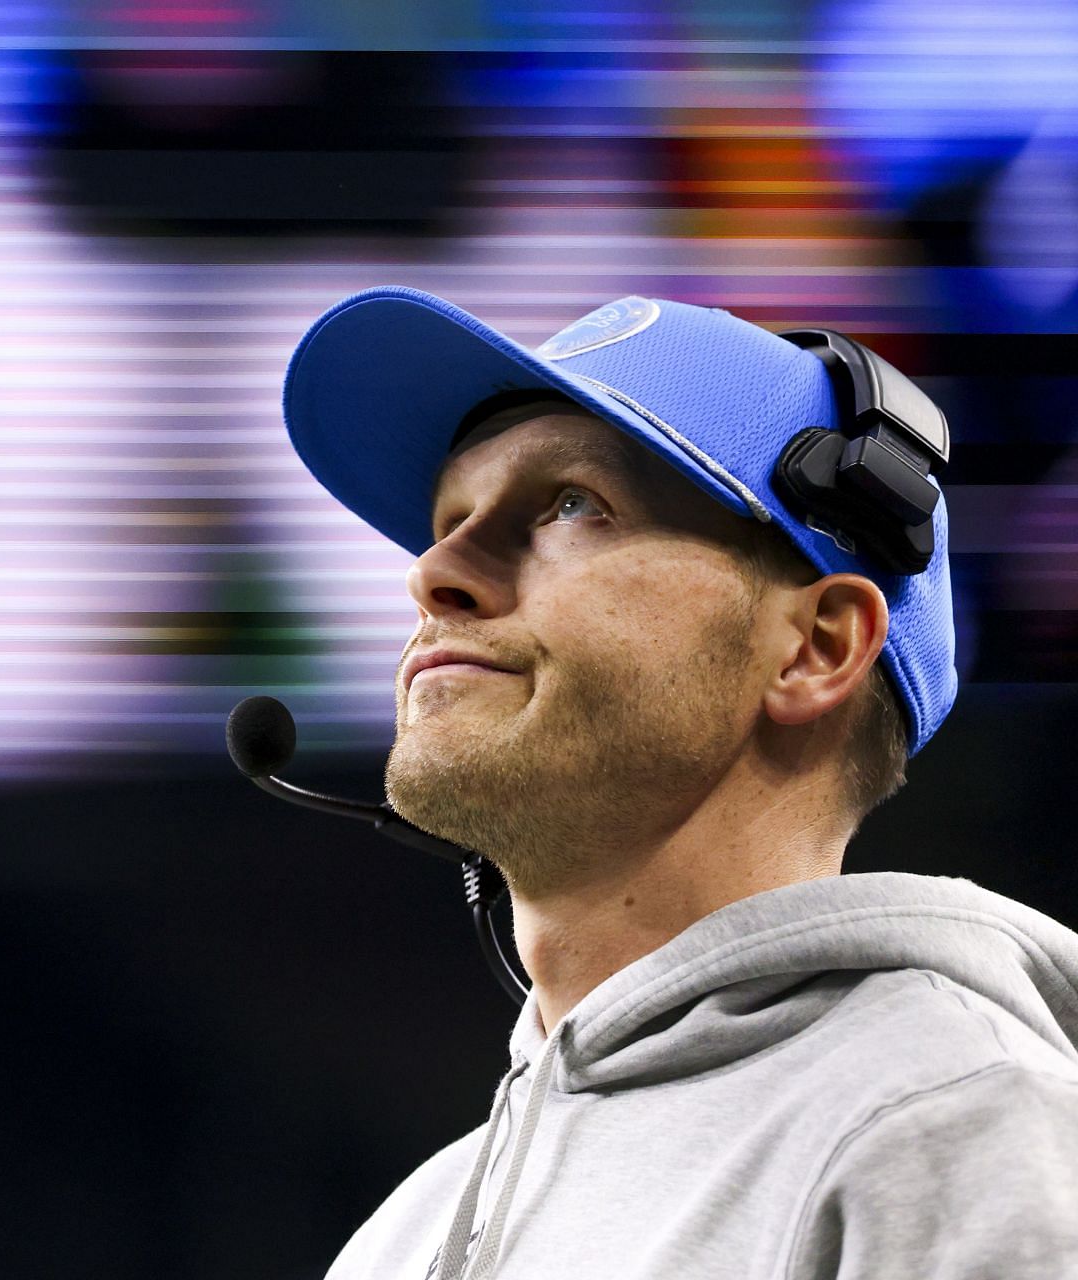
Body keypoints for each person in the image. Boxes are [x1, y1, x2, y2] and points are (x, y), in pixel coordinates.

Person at [280, 290, 1078, 1279]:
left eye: (574, 503)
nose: (435, 572)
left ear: (816, 647)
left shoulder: (947, 1119)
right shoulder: (401, 1238)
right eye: (449, 520)